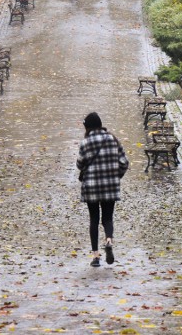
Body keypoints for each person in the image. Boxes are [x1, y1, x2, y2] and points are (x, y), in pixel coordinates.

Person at [76, 112, 129, 267]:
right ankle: (109, 240)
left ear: (89, 127)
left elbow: (79, 164)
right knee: (107, 218)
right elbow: (124, 162)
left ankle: (96, 257)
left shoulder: (86, 142)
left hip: (91, 187)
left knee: (94, 219)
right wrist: (115, 176)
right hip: (110, 186)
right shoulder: (112, 139)